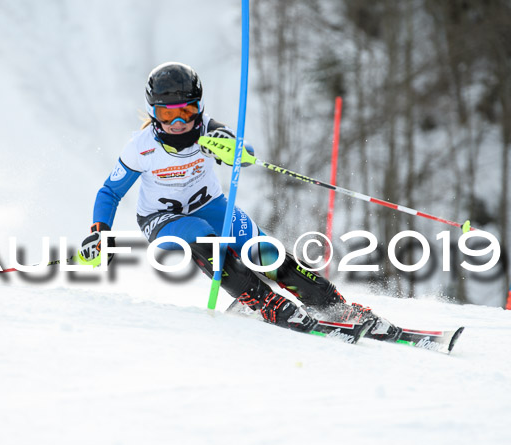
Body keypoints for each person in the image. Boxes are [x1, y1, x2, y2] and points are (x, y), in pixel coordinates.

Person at [77, 61, 400, 340]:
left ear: (199, 108)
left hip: (212, 206)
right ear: (153, 113)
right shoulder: (141, 147)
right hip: (162, 220)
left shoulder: (209, 131)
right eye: (167, 114)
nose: (178, 124)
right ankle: (262, 301)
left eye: (186, 112)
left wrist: (231, 149)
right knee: (201, 233)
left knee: (263, 250)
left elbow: (246, 157)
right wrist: (99, 231)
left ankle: (334, 305)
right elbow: (110, 192)